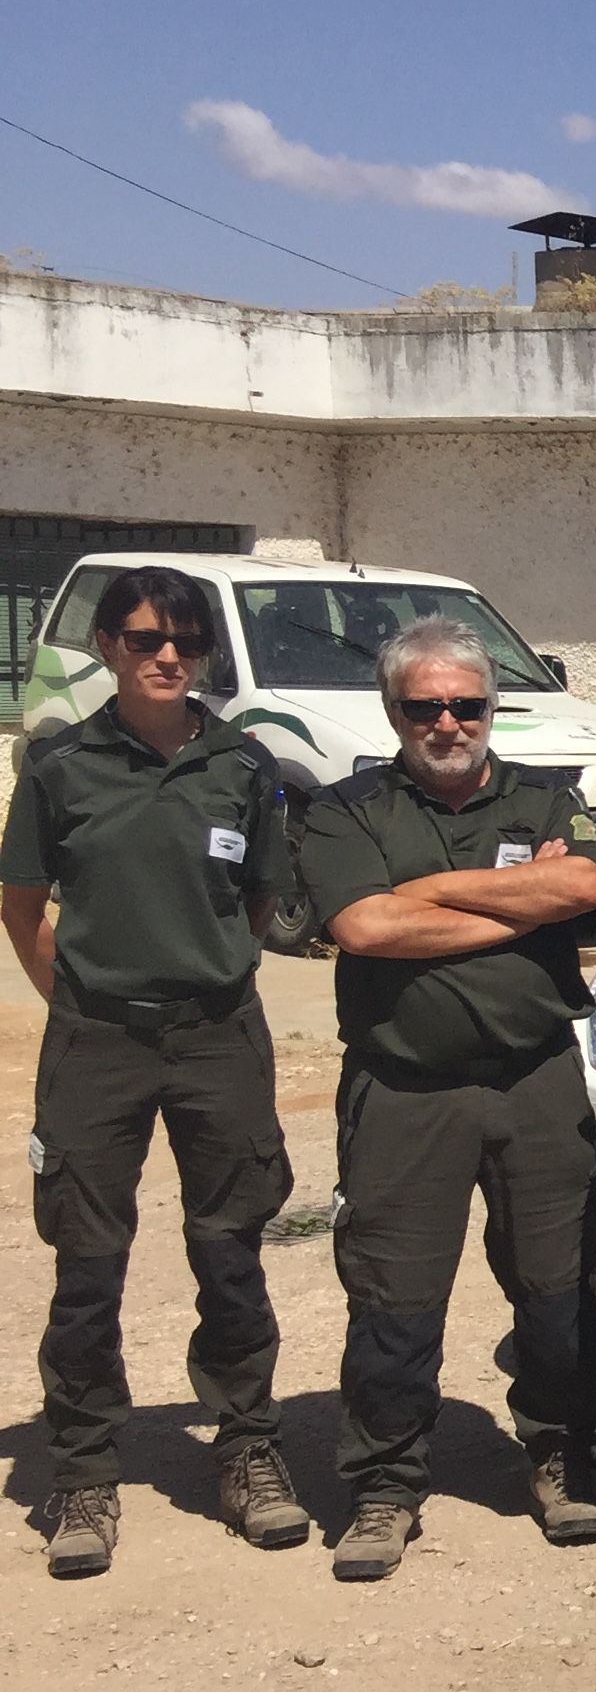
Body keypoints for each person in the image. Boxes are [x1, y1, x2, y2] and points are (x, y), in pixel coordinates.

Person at [298, 617, 596, 1581]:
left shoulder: (546, 794)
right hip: (406, 1090)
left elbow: (586, 886)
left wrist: (429, 893)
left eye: (466, 704)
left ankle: (559, 1451)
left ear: (490, 707)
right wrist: (511, 904)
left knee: (559, 1286)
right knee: (394, 1297)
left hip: (534, 1083)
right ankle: (386, 1484)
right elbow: (363, 923)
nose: (448, 722)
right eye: (425, 706)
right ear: (395, 712)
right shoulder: (345, 809)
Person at [3, 566, 307, 1575]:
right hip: (98, 1039)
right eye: (143, 640)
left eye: (185, 642)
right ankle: (84, 1468)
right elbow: (23, 905)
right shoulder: (60, 768)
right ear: (106, 648)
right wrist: (86, 1004)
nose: (167, 657)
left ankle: (248, 1449)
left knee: (231, 1250)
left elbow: (257, 905)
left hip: (217, 1034)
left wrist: (196, 979)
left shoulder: (243, 764)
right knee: (88, 1264)